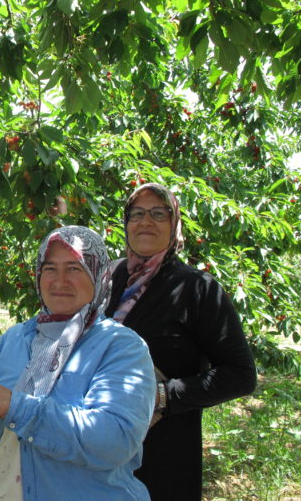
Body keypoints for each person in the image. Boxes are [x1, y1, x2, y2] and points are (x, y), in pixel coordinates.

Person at [0, 225, 156, 500]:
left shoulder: (121, 347)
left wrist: (17, 407)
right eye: (50, 268)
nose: (60, 280)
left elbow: (114, 440)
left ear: (99, 275)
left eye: (75, 268)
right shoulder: (16, 338)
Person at [105, 182, 257, 501]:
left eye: (159, 213)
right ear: (125, 223)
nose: (146, 221)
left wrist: (162, 397)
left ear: (174, 225)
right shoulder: (107, 280)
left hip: (161, 456)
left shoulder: (197, 289)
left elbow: (240, 374)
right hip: (98, 447)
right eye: (137, 213)